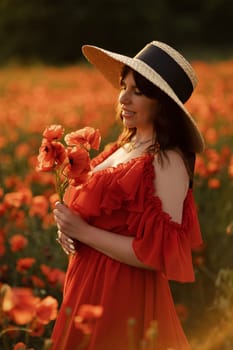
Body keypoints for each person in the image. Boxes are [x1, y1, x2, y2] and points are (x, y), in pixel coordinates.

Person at [51, 41, 204, 350]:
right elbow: (104, 224)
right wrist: (68, 232)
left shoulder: (168, 160)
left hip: (122, 296)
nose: (123, 97)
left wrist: (83, 231)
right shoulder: (120, 148)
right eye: (124, 86)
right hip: (84, 286)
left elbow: (159, 254)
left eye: (138, 91)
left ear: (162, 103)